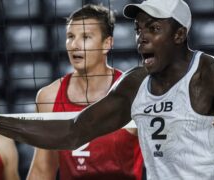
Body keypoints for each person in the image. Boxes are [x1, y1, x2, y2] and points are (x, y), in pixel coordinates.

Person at [0, 0, 214, 179]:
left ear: (180, 35)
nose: (142, 36)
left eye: (154, 28)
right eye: (139, 29)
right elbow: (73, 131)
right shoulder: (135, 83)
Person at [27, 4, 143, 180]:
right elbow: (42, 170)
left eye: (85, 37)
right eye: (70, 36)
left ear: (107, 44)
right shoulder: (48, 97)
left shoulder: (134, 93)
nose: (74, 45)